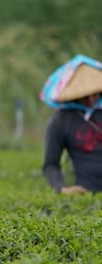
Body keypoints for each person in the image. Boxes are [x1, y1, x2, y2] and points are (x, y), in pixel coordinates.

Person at [40, 55, 102, 194]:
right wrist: (62, 188)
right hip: (87, 191)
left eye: (96, 94)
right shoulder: (61, 120)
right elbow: (50, 165)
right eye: (86, 95)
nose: (92, 100)